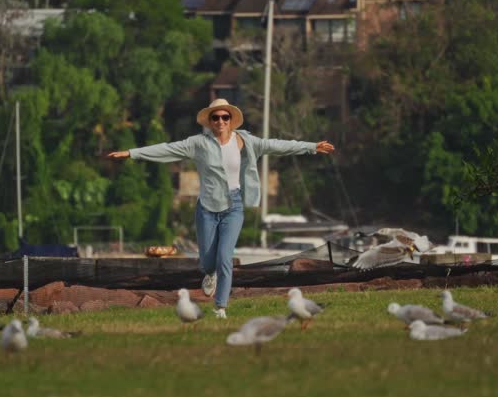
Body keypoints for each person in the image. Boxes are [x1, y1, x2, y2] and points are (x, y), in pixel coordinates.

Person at [106, 99, 335, 319]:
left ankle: (220, 307)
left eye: (225, 117)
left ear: (231, 119)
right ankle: (209, 273)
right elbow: (166, 149)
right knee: (207, 261)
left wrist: (311, 147)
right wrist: (132, 153)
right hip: (206, 207)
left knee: (225, 257)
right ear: (210, 121)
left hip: (234, 206)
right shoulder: (198, 143)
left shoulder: (245, 141)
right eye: (216, 117)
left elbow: (276, 145)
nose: (221, 121)